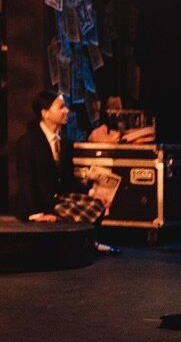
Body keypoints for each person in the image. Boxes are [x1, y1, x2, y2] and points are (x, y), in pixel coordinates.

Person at [11, 89, 119, 254]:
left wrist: (92, 192)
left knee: (97, 204)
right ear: (45, 113)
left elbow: (67, 180)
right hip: (38, 204)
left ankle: (90, 242)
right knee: (72, 213)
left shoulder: (66, 144)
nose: (66, 111)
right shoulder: (28, 142)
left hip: (58, 199)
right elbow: (26, 181)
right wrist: (36, 214)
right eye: (61, 107)